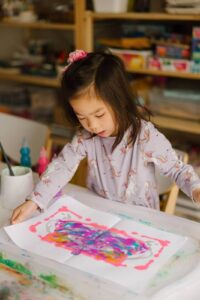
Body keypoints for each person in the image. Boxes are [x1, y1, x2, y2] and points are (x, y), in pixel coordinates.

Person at [11, 50, 200, 224]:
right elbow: (63, 166)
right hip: (100, 216)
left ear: (119, 100)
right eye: (82, 117)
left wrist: (196, 189)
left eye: (99, 115)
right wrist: (34, 201)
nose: (92, 125)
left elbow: (178, 170)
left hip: (142, 222)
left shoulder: (145, 136)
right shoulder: (85, 136)